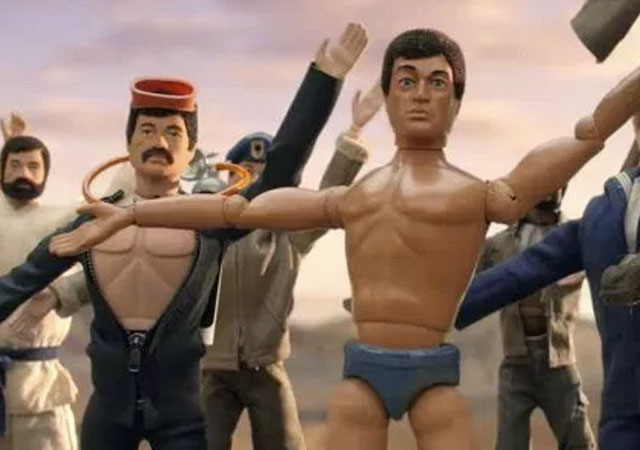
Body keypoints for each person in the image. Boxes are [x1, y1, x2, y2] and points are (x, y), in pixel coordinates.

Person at [53, 28, 640, 449]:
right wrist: (132, 216)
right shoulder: (356, 198)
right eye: (406, 80)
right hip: (363, 374)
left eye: (437, 82)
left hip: (435, 372)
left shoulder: (479, 195)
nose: (420, 93)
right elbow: (237, 211)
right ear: (388, 94)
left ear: (457, 101)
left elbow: (586, 135)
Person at [0, 23, 367, 450]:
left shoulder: (209, 219)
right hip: (108, 411)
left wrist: (323, 80)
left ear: (191, 151)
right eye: (147, 130)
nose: (159, 141)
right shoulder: (92, 220)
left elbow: (278, 177)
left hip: (181, 413)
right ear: (129, 144)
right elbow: (21, 281)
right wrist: (50, 293)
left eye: (173, 132)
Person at [202, 84, 383, 450]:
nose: (254, 179)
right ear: (229, 178)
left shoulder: (288, 234)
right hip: (213, 367)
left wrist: (354, 134)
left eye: (263, 173)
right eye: (245, 171)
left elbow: (326, 199)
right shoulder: (207, 229)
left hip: (266, 364)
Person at [476, 188, 595, 449]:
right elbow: (468, 275)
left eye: (557, 184)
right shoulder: (501, 244)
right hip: (516, 360)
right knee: (510, 443)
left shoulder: (576, 237)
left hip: (558, 358)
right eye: (545, 184)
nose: (550, 191)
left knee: (578, 440)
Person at [0, 114, 79, 450]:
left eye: (34, 166)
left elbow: (100, 265)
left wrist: (60, 293)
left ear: (46, 174)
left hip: (40, 385)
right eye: (15, 165)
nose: (24, 174)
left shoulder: (62, 222)